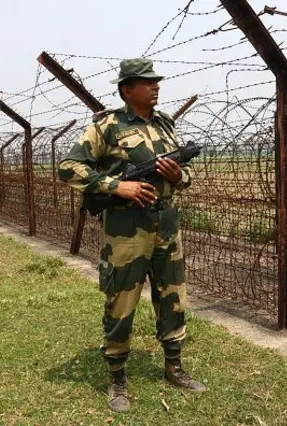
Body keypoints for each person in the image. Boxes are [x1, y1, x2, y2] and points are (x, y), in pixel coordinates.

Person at [57, 58, 206, 412]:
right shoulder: (107, 126)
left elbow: (186, 177)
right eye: (147, 82)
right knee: (121, 302)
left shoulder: (166, 124)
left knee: (172, 297)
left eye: (156, 81)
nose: (156, 86)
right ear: (127, 89)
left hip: (166, 224)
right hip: (125, 229)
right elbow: (68, 167)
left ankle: (174, 366)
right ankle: (117, 377)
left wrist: (175, 177)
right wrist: (116, 186)